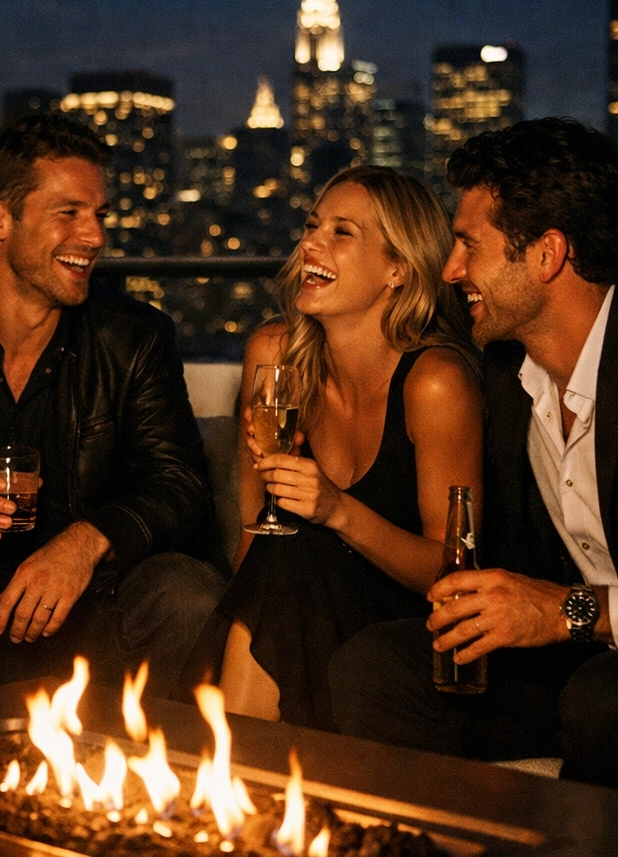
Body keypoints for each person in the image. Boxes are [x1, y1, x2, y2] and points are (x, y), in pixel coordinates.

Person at [329, 118, 618, 802]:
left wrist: (568, 612)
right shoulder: (505, 375)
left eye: (468, 244)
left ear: (547, 255)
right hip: (575, 669)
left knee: (610, 698)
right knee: (378, 665)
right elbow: (379, 323)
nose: (453, 268)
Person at [0, 112, 225, 698]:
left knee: (188, 591)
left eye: (99, 215)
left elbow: (182, 488)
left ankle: (135, 781)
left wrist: (86, 542)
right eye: (69, 214)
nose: (96, 237)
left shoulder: (133, 336)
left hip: (95, 598)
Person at [206, 167, 484, 730]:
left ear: (397, 269)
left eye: (342, 232)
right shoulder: (273, 357)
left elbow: (452, 573)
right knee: (285, 550)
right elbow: (251, 528)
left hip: (401, 628)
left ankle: (230, 766)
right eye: (312, 226)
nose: (310, 242)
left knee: (299, 550)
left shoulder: (435, 382)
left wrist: (336, 510)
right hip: (288, 601)